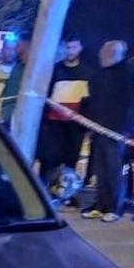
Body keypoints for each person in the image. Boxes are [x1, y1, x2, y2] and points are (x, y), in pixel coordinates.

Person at [81, 41, 134, 222]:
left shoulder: (130, 72)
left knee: (114, 170)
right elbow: (92, 99)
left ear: (114, 53)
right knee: (100, 169)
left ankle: (114, 207)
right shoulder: (100, 73)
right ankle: (100, 205)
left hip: (118, 131)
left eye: (105, 52)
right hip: (98, 128)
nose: (100, 55)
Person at [38, 38, 92, 184]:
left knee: (71, 160)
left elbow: (89, 100)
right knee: (50, 159)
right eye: (68, 47)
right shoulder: (55, 70)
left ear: (80, 48)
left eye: (74, 47)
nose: (70, 51)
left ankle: (67, 190)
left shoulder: (88, 72)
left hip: (75, 125)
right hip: (54, 124)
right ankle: (45, 188)